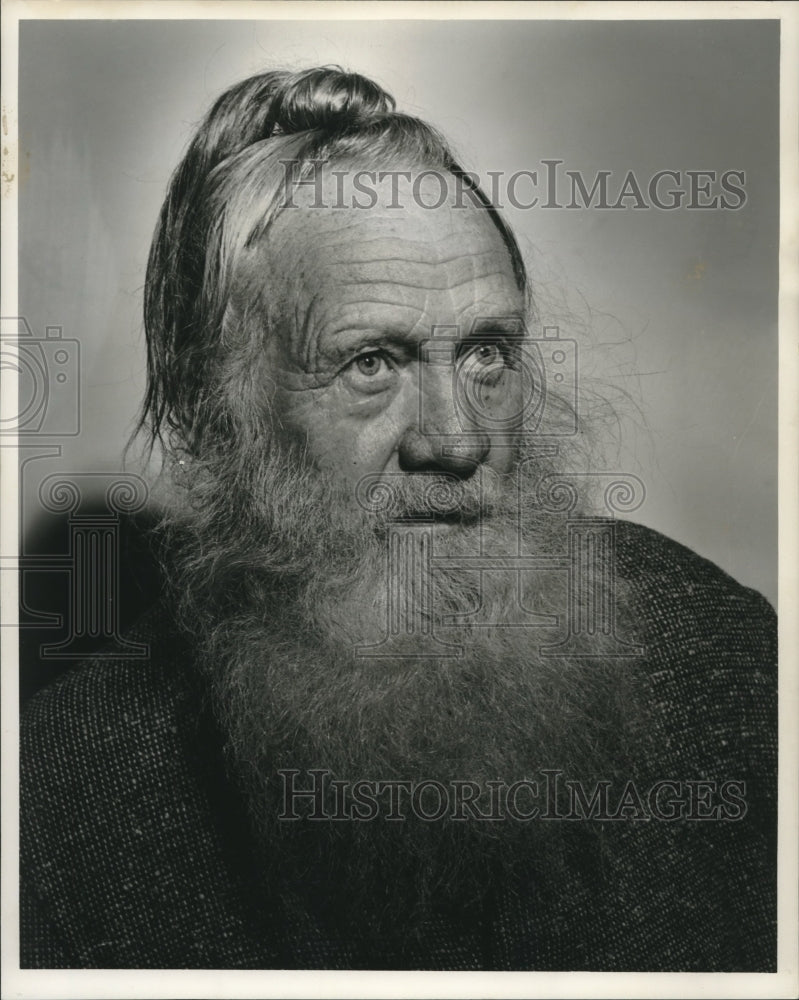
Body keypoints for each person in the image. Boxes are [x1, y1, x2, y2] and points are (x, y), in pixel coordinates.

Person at [20, 67, 777, 971]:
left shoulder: (718, 654)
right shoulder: (61, 815)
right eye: (372, 364)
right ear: (213, 410)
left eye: (487, 355)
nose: (457, 442)